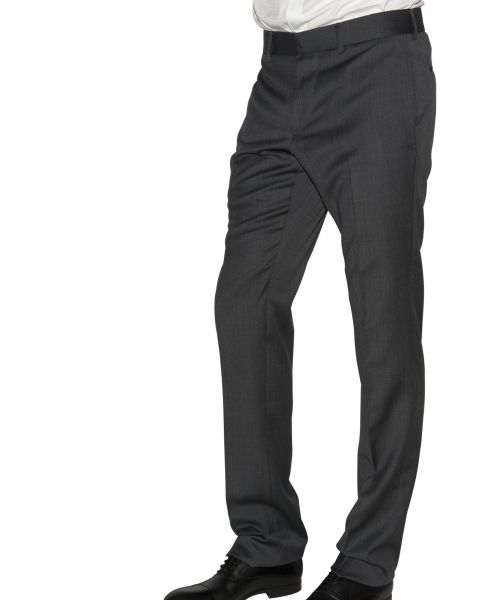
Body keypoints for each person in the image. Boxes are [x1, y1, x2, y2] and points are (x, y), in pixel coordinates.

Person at [166, 1, 436, 599]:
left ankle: (367, 567)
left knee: (383, 318)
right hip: (278, 75)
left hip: (374, 63)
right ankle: (268, 544)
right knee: (245, 304)